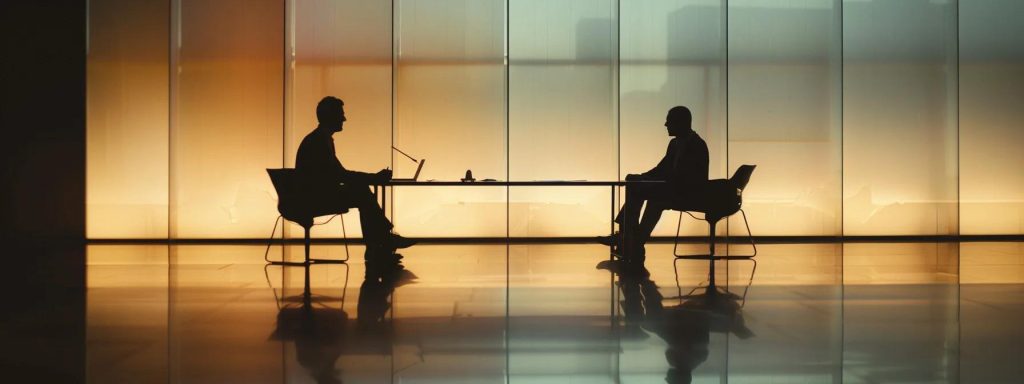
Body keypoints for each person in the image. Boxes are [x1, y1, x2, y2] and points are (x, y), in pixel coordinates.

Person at [296, 96, 415, 253]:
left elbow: (337, 175)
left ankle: (381, 242)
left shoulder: (318, 138)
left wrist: (372, 177)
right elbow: (340, 175)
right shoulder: (319, 141)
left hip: (313, 195)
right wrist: (374, 178)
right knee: (362, 192)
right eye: (341, 114)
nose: (344, 118)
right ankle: (382, 240)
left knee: (360, 190)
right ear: (331, 116)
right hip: (315, 198)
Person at [601, 106, 709, 261]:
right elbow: (662, 169)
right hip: (676, 189)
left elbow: (682, 178)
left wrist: (645, 181)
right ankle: (631, 240)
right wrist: (642, 178)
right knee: (641, 189)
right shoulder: (676, 144)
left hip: (687, 193)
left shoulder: (696, 145)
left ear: (680, 123)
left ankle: (627, 237)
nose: (666, 124)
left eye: (669, 121)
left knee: (642, 193)